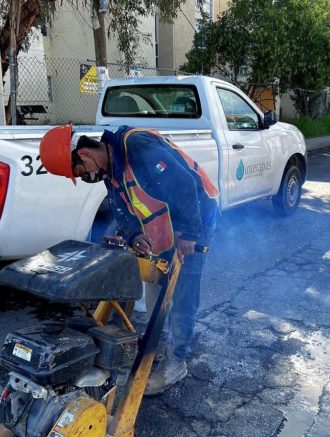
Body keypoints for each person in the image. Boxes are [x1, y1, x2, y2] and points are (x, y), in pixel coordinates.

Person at [39, 124, 219, 395]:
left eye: (80, 171)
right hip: (165, 226)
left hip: (197, 216)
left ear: (85, 154)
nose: (86, 177)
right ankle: (157, 346)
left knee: (182, 292)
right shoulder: (111, 171)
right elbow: (122, 209)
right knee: (156, 287)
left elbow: (183, 185)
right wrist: (134, 235)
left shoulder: (137, 146)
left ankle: (177, 361)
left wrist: (191, 233)